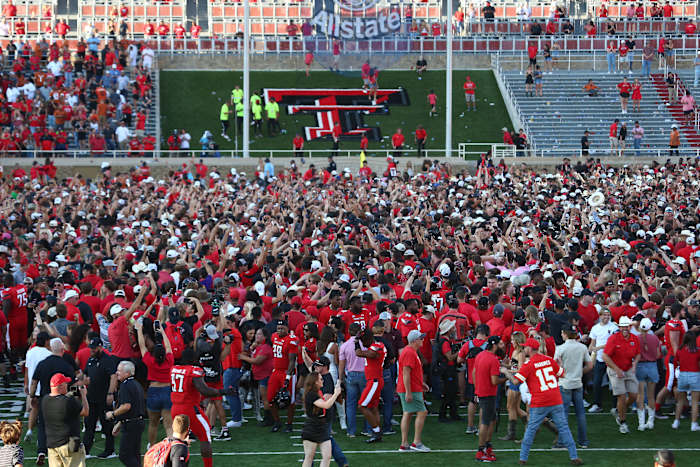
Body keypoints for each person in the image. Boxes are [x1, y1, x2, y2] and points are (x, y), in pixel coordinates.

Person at [502, 338, 583, 465]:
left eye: (525, 347)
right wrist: (560, 364)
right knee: (564, 428)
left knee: (530, 430)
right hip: (555, 399)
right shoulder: (549, 360)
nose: (524, 349)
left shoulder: (529, 364)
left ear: (530, 349)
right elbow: (562, 374)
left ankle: (523, 458)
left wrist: (506, 372)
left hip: (540, 402)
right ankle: (574, 456)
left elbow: (516, 381)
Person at [170, 348, 229, 467]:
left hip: (175, 408)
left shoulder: (174, 369)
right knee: (204, 437)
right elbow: (205, 390)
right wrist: (223, 391)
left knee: (178, 440)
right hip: (190, 409)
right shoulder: (194, 370)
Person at [29, 338, 78, 465]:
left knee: (42, 425)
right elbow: (74, 383)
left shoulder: (42, 364)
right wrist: (73, 397)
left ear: (50, 349)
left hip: (45, 399)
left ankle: (41, 451)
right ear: (62, 350)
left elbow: (34, 382)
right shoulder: (66, 365)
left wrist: (32, 396)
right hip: (63, 400)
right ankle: (66, 450)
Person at [135, 319, 174, 448]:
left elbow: (142, 345)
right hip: (167, 391)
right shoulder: (169, 360)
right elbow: (168, 346)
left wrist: (139, 329)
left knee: (153, 423)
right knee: (169, 425)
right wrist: (162, 331)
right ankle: (171, 448)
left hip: (153, 392)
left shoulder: (150, 361)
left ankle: (151, 446)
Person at [554, 324, 593, 448]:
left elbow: (555, 367)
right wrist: (580, 372)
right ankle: (583, 441)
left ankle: (562, 442)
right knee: (580, 414)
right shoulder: (582, 347)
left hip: (564, 383)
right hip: (577, 383)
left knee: (563, 415)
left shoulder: (560, 349)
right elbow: (590, 365)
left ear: (565, 334)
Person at [602, 316, 641, 433]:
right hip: (615, 369)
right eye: (622, 326)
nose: (625, 328)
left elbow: (638, 353)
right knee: (622, 396)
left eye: (627, 326)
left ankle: (620, 411)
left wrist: (635, 364)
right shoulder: (613, 339)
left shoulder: (634, 338)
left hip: (628, 368)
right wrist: (617, 369)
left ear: (630, 327)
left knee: (634, 395)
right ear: (619, 327)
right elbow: (605, 356)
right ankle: (623, 422)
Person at [82, 335, 118, 458]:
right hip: (91, 398)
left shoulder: (108, 360)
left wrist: (110, 393)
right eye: (90, 349)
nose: (91, 351)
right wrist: (83, 382)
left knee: (107, 425)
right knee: (89, 424)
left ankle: (110, 450)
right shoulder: (90, 360)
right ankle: (85, 450)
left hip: (103, 398)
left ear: (100, 347)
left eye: (93, 349)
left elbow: (113, 377)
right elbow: (85, 375)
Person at [42, 374, 88, 467]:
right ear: (61, 386)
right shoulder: (69, 401)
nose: (67, 385)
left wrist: (74, 390)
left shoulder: (45, 399)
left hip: (52, 445)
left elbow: (61, 398)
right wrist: (83, 395)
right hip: (69, 445)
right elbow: (85, 412)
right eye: (65, 383)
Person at [472, 335, 506, 462]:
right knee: (486, 422)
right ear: (495, 345)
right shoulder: (493, 360)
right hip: (488, 394)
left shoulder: (480, 355)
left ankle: (487, 445)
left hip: (482, 392)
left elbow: (474, 372)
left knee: (492, 420)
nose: (502, 346)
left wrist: (476, 389)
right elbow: (495, 381)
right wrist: (507, 377)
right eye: (500, 344)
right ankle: (481, 451)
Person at [106, 361, 146, 467]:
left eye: (119, 370)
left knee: (125, 455)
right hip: (137, 422)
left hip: (131, 425)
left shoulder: (125, 385)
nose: (117, 372)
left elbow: (126, 406)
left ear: (127, 373)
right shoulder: (136, 384)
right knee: (135, 454)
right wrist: (119, 423)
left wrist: (113, 414)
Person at [397, 330, 430, 452]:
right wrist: (408, 392)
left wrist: (421, 383)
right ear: (415, 340)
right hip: (411, 389)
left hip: (413, 387)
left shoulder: (410, 351)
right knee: (422, 412)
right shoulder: (409, 353)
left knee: (408, 413)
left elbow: (411, 373)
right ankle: (416, 442)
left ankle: (404, 444)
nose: (423, 340)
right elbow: (406, 373)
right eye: (421, 338)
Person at [300, 371, 342, 467]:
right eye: (321, 379)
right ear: (315, 382)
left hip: (322, 427)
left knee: (327, 456)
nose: (323, 380)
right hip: (312, 428)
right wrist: (336, 394)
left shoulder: (318, 392)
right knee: (309, 457)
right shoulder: (311, 394)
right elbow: (326, 405)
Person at [354, 325, 386, 443]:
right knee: (373, 407)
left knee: (362, 406)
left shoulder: (376, 346)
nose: (363, 343)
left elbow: (360, 353)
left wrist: (356, 342)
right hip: (373, 380)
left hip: (375, 381)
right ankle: (377, 432)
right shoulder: (375, 346)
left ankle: (377, 431)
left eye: (363, 340)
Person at [268, 318, 298, 433]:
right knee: (270, 398)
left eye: (282, 328)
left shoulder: (291, 340)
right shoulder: (274, 336)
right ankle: (277, 421)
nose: (279, 330)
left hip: (287, 372)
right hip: (276, 371)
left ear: (287, 328)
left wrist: (287, 378)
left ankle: (289, 424)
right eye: (278, 328)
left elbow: (292, 361)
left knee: (289, 400)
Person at [636, 318, 661, 430]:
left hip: (640, 367)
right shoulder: (655, 338)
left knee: (640, 395)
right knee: (651, 396)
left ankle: (641, 423)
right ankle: (650, 422)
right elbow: (658, 354)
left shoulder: (636, 338)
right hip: (652, 366)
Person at [672, 332, 700, 431]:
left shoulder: (679, 350)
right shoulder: (697, 351)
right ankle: (693, 424)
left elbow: (676, 362)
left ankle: (676, 422)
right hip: (695, 375)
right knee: (695, 401)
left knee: (680, 401)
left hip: (683, 375)